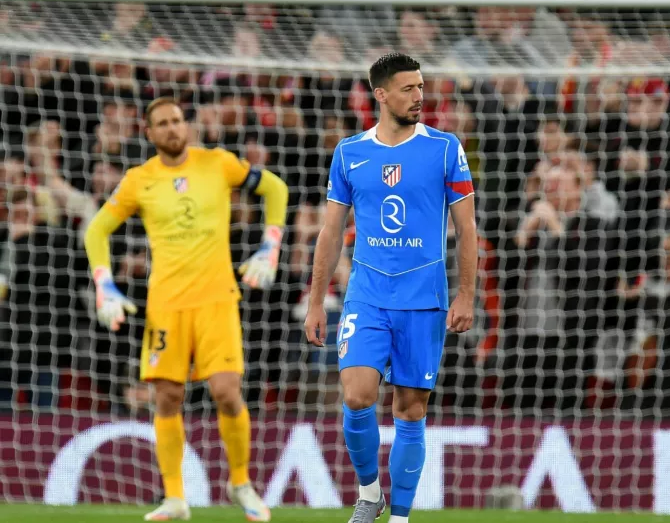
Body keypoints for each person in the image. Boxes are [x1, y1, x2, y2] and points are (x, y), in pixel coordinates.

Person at [83, 97, 289, 522]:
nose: (174, 128)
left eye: (178, 120)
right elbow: (97, 230)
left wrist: (270, 247)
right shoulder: (139, 180)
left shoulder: (218, 162)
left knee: (227, 391)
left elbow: (275, 188)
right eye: (163, 123)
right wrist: (104, 284)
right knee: (167, 397)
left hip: (217, 299)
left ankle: (241, 482)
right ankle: (175, 497)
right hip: (166, 305)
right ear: (150, 132)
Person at [303, 52, 477, 523]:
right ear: (380, 94)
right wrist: (316, 302)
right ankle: (368, 493)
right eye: (408, 88)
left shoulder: (445, 149)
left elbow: (466, 229)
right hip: (368, 294)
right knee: (357, 394)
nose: (419, 96)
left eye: (421, 87)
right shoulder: (349, 153)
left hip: (424, 298)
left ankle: (398, 517)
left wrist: (466, 294)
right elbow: (331, 232)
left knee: (410, 408)